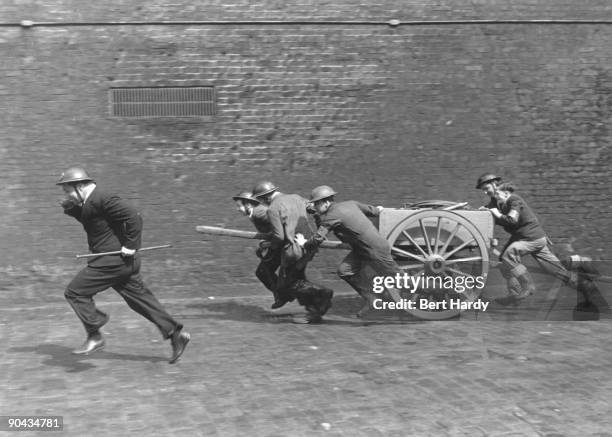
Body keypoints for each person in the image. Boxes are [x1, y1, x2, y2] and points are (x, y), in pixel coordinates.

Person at [57, 167, 190, 363]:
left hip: (112, 262)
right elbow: (94, 221)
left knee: (75, 292)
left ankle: (95, 334)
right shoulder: (90, 201)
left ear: (80, 186)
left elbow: (134, 216)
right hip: (121, 263)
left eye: (68, 190)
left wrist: (131, 245)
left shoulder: (104, 197)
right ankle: (175, 333)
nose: (67, 194)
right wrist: (71, 208)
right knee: (139, 299)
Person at [480, 179, 588, 304]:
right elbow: (500, 216)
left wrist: (496, 214)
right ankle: (588, 290)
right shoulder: (503, 203)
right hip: (527, 238)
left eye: (498, 194)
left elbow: (511, 220)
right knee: (557, 271)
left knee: (509, 254)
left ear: (506, 193)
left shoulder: (514, 200)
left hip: (532, 238)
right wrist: (487, 211)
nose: (496, 197)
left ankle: (528, 286)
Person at [303, 185, 401, 317]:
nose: (314, 207)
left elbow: (317, 239)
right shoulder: (351, 204)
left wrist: (304, 243)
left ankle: (437, 289)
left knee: (401, 280)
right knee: (344, 271)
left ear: (326, 202)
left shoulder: (331, 216)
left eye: (316, 204)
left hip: (374, 250)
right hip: (362, 250)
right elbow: (375, 211)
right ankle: (373, 300)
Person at [252, 181, 333, 323]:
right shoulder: (296, 197)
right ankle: (314, 310)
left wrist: (267, 244)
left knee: (289, 284)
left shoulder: (273, 208)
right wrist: (320, 227)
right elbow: (315, 209)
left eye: (261, 200)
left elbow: (279, 237)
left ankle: (321, 294)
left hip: (293, 250)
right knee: (294, 279)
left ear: (265, 198)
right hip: (308, 245)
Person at [232, 190, 283, 308]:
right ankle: (281, 295)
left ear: (248, 205)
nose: (237, 209)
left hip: (283, 245)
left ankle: (283, 295)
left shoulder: (260, 213)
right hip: (276, 245)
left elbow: (279, 226)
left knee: (267, 272)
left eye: (239, 206)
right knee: (264, 271)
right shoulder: (255, 213)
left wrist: (267, 243)